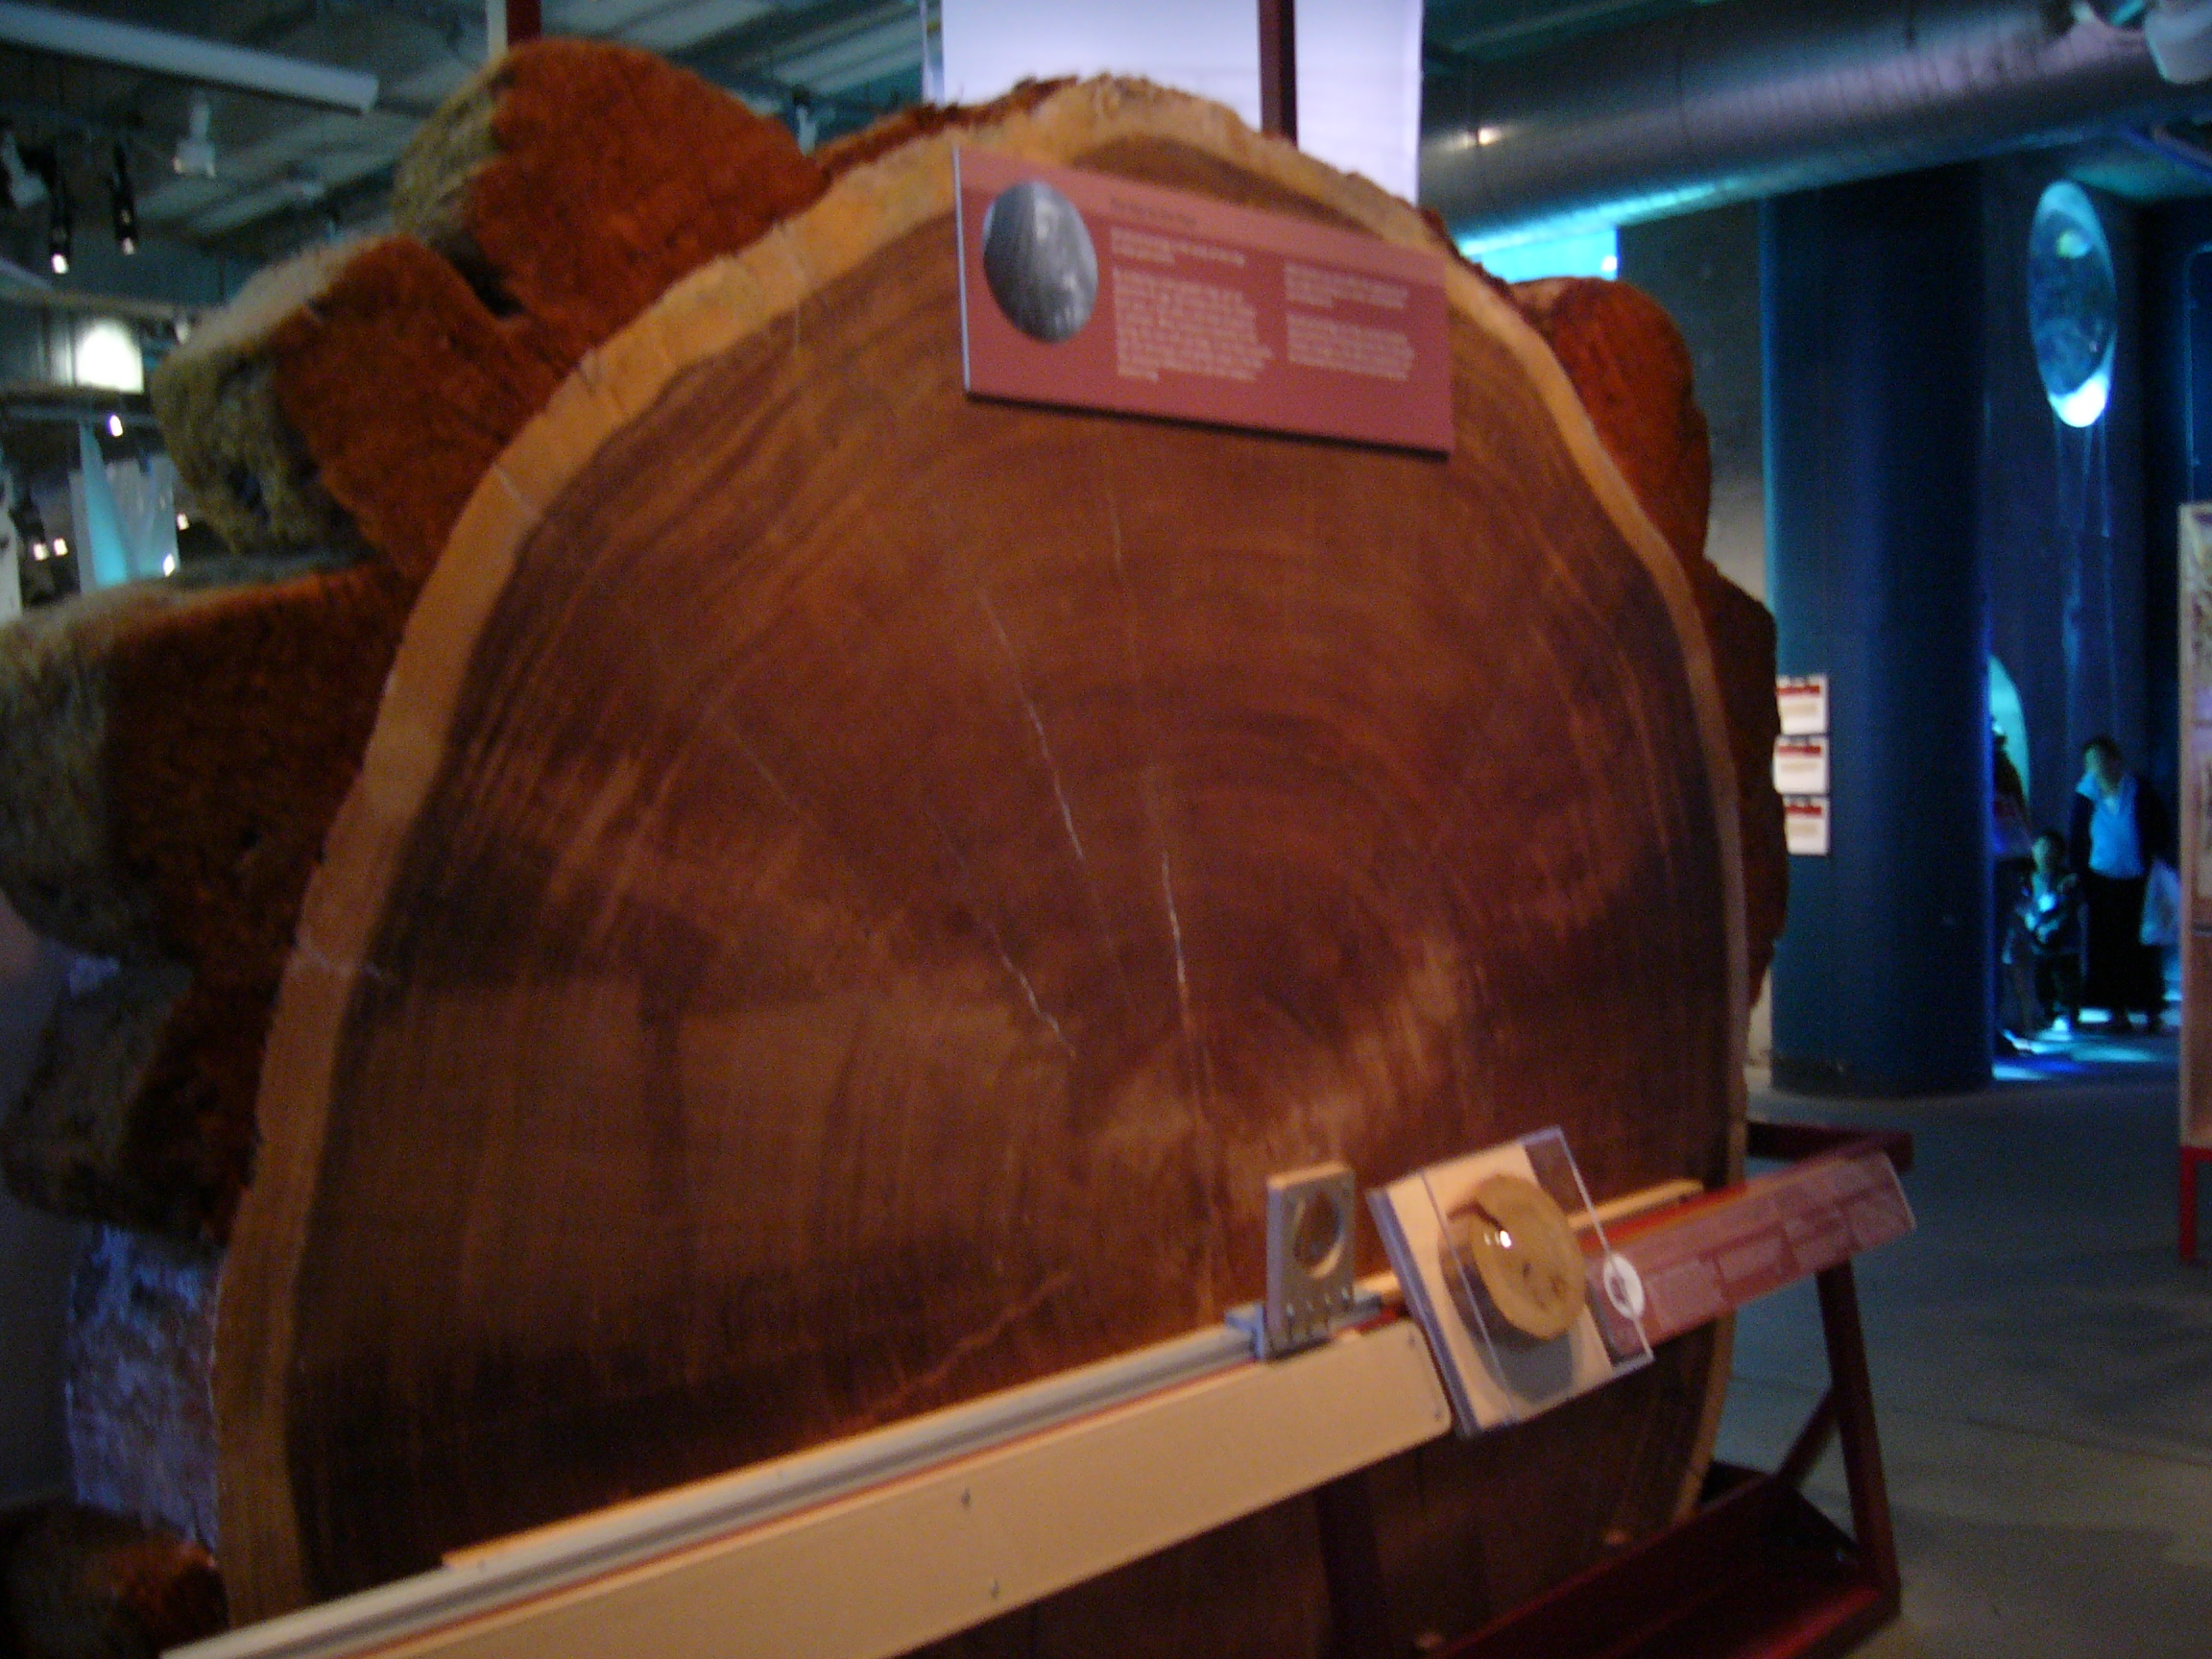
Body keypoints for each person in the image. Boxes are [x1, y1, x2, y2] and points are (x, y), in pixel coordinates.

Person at [2067, 736, 2172, 1033]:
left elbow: (2159, 826)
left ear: (2115, 760)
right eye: (2091, 761)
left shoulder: (2139, 789)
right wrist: (2080, 875)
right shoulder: (2086, 795)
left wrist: (2157, 856)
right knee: (2107, 949)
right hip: (2102, 880)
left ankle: (2150, 1009)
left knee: (2143, 945)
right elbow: (2078, 837)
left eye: (2101, 759)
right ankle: (2116, 1011)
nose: (2097, 767)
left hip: (2138, 878)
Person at [1991, 731, 2034, 1049]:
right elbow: (2020, 819)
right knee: (1994, 950)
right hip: (2006, 863)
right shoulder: (2005, 771)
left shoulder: (1992, 772)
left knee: (1990, 951)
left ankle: (1990, 1025)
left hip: (1996, 865)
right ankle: (1993, 1024)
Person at [2020, 830, 2082, 1033]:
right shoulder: (2027, 879)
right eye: (2040, 848)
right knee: (2043, 978)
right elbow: (2024, 907)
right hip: (2037, 940)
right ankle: (2047, 1012)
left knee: (2066, 977)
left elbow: (2069, 907)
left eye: (2050, 849)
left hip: (2064, 940)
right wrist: (2034, 926)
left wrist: (2052, 928)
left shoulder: (2066, 880)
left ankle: (2068, 1012)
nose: (2044, 853)